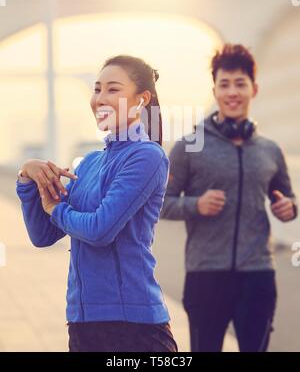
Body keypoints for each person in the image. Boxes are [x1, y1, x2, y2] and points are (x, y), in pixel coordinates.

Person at [16, 55, 177, 353]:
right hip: (81, 323)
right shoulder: (90, 162)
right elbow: (43, 235)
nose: (100, 98)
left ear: (141, 100)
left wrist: (56, 209)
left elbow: (101, 230)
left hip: (135, 328)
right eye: (97, 88)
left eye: (113, 89)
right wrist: (28, 178)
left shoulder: (147, 156)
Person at [161, 44, 298, 352]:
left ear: (254, 89)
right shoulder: (190, 146)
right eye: (224, 84)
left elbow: (287, 200)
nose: (232, 92)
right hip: (205, 275)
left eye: (240, 83)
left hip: (258, 274)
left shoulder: (270, 150)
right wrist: (196, 204)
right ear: (215, 90)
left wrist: (289, 208)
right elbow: (161, 203)